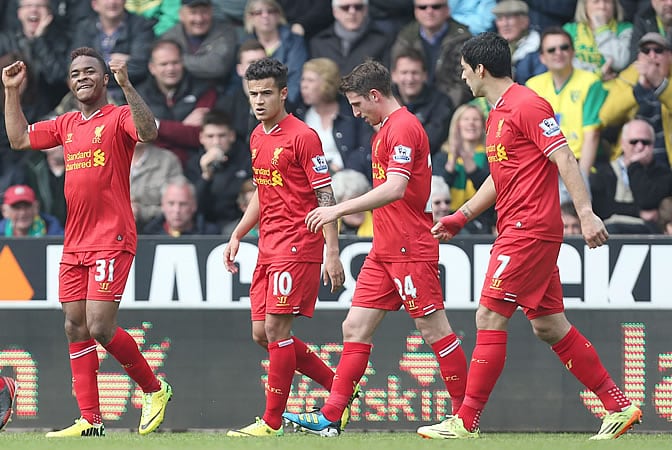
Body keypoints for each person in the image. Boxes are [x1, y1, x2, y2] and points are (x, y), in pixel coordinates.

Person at [417, 32, 641, 440]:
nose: (464, 77)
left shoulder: (527, 104)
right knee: (549, 326)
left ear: (480, 69)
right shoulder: (498, 111)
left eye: (465, 70)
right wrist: (461, 216)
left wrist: (586, 215)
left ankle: (465, 421)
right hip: (520, 227)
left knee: (488, 315)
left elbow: (564, 156)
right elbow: (501, 176)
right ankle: (618, 405)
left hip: (528, 230)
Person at [282, 59, 468, 436]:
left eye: (357, 104)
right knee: (354, 327)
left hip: (410, 248)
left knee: (434, 332)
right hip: (384, 248)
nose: (355, 113)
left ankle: (465, 417)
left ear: (375, 95)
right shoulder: (386, 128)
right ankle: (332, 417)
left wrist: (338, 208)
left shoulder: (403, 128)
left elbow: (396, 188)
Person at [2, 47, 172, 437]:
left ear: (104, 79)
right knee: (74, 326)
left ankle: (155, 388)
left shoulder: (119, 117)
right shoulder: (66, 124)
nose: (81, 76)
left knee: (98, 326)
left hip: (111, 236)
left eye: (90, 71)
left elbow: (150, 132)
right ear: (69, 82)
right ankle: (90, 421)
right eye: (75, 72)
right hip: (74, 241)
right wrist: (12, 91)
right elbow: (18, 139)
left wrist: (128, 84)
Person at [223, 58, 346, 437]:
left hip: (298, 244)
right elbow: (264, 190)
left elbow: (325, 194)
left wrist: (331, 250)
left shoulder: (303, 136)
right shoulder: (258, 135)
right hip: (268, 246)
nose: (258, 101)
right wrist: (239, 232)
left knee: (277, 329)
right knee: (262, 334)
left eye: (265, 93)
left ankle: (271, 422)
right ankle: (342, 386)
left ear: (283, 93)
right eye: (253, 94)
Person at [599, 32, 672, 167]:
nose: (652, 56)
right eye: (646, 51)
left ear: (670, 57)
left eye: (658, 50)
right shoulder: (628, 77)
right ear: (639, 57)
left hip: (666, 164)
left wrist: (660, 84)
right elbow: (605, 116)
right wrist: (638, 90)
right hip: (631, 162)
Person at [292, 57, 373, 177]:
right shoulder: (299, 115)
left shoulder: (352, 113)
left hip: (347, 177)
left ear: (327, 83)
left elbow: (363, 148)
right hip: (309, 178)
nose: (304, 85)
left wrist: (341, 168)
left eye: (310, 80)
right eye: (303, 79)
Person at [590, 118, 672, 233]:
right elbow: (601, 208)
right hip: (612, 233)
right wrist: (638, 211)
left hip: (650, 234)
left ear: (653, 145)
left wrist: (635, 166)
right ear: (622, 144)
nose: (639, 147)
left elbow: (647, 201)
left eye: (646, 142)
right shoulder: (604, 173)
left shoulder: (663, 174)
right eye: (634, 142)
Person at [392, 0, 473, 108]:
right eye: (423, 7)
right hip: (412, 107)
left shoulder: (463, 39)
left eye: (436, 7)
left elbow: (466, 83)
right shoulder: (405, 37)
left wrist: (442, 108)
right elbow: (395, 76)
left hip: (452, 108)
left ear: (447, 10)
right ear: (415, 11)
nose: (429, 11)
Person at [184, 109, 252, 235]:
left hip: (238, 224)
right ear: (201, 138)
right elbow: (194, 207)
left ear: (232, 136)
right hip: (202, 227)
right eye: (210, 136)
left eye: (221, 136)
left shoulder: (247, 160)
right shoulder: (193, 164)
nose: (216, 142)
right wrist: (206, 176)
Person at [162, 0, 238, 90]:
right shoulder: (169, 36)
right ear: (181, 15)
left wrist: (179, 61)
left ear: (211, 12)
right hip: (180, 95)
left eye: (204, 12)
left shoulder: (226, 32)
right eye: (193, 13)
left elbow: (218, 66)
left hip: (220, 93)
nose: (199, 19)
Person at [391, 47, 454, 156]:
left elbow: (429, 143)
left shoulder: (441, 102)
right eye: (404, 73)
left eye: (415, 73)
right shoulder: (383, 100)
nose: (410, 79)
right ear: (394, 75)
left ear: (425, 75)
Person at [242, 0, 308, 104]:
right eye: (258, 12)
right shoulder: (244, 44)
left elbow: (296, 78)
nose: (265, 16)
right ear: (250, 18)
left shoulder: (294, 41)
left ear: (278, 15)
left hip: (288, 104)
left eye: (270, 11)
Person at [308, 0, 391, 76]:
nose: (352, 12)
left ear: (366, 10)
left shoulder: (382, 41)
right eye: (345, 8)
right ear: (335, 12)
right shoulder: (319, 43)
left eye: (358, 7)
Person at [563, 0, 632, 82]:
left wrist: (602, 29)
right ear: (585, 5)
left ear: (614, 5)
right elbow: (563, 66)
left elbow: (619, 63)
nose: (602, 6)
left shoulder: (626, 29)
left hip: (613, 89)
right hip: (577, 87)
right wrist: (597, 74)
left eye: (607, 2)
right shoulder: (569, 30)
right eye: (596, 1)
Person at [130, 141, 184, 231]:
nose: (135, 131)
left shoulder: (168, 161)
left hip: (157, 230)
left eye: (140, 127)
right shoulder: (104, 158)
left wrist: (141, 211)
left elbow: (181, 205)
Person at [142, 175, 220, 235]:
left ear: (194, 206)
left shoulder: (210, 234)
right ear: (162, 205)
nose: (177, 210)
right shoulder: (149, 234)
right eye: (171, 203)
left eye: (183, 204)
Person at [492, 0, 546, 84]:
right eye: (500, 19)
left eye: (509, 18)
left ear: (525, 21)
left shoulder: (538, 50)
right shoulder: (492, 49)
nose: (505, 24)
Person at [330, 168, 373, 236]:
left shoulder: (379, 226)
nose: (358, 207)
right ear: (338, 202)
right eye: (352, 201)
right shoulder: (326, 229)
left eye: (361, 200)